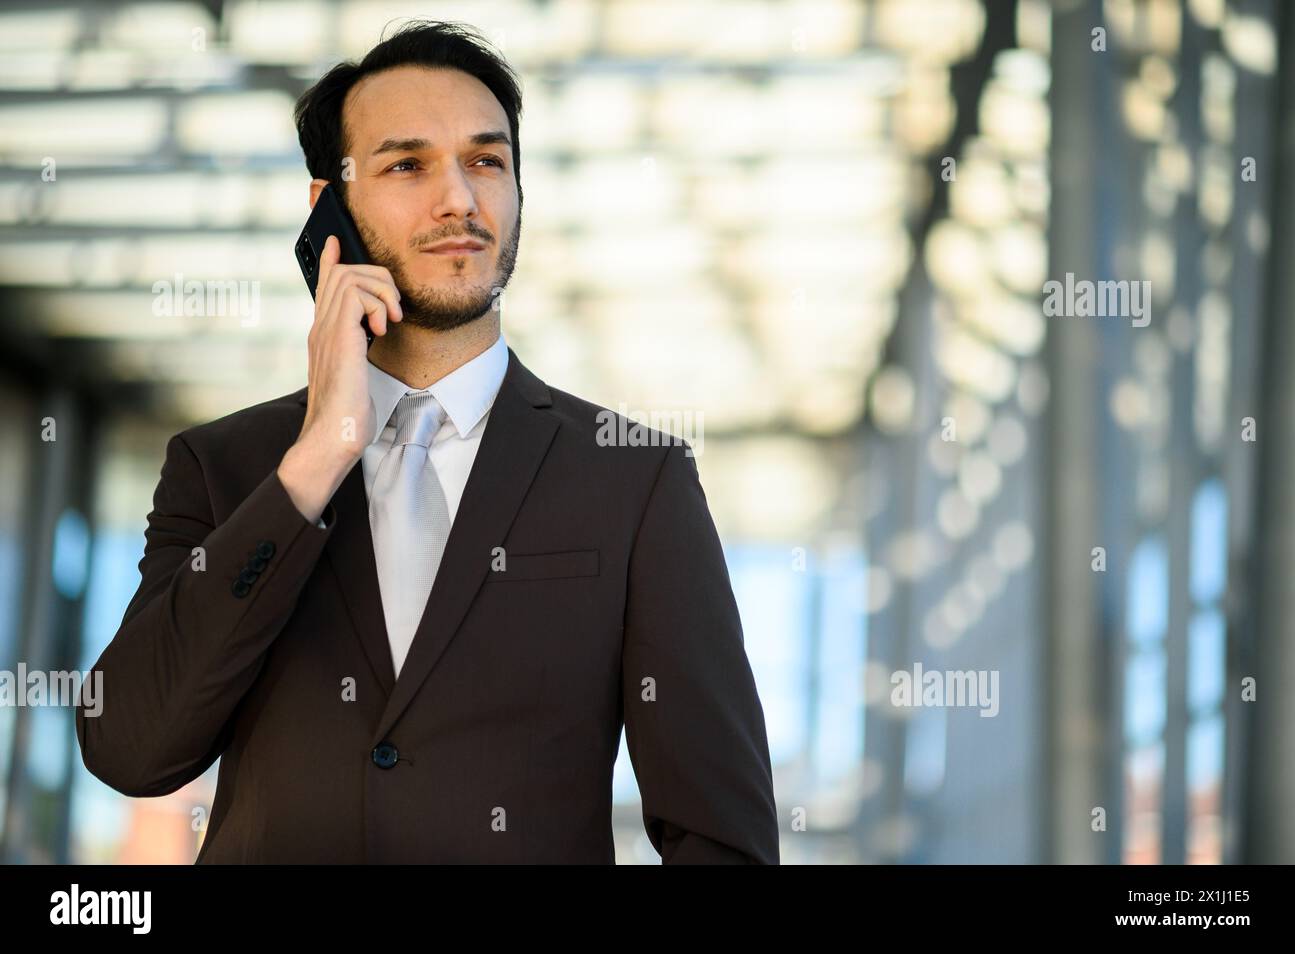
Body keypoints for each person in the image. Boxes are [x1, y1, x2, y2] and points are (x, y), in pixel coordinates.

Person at [76, 20, 779, 864]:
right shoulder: (223, 467)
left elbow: (722, 837)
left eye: (487, 160)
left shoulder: (635, 482)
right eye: (407, 165)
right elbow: (129, 748)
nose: (460, 199)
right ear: (325, 208)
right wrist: (315, 462)